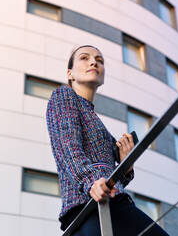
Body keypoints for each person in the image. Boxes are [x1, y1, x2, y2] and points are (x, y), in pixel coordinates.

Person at [46, 44, 169, 235]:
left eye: (99, 60)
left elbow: (106, 175)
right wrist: (89, 182)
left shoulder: (95, 120)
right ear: (70, 73)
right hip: (89, 208)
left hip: (108, 203)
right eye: (84, 58)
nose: (94, 62)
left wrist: (126, 165)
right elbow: (67, 148)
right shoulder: (64, 95)